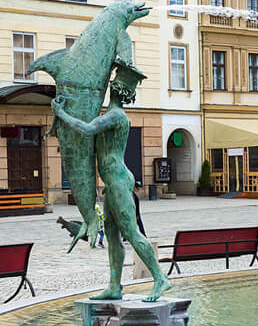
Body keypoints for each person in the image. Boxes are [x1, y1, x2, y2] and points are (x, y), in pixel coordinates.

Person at [51, 62, 170, 302]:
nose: (110, 85)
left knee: (132, 233)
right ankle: (114, 286)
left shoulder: (115, 116)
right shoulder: (111, 115)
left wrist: (61, 113)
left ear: (117, 90)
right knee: (113, 236)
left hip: (117, 180)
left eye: (113, 83)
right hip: (113, 181)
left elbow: (85, 129)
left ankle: (160, 278)